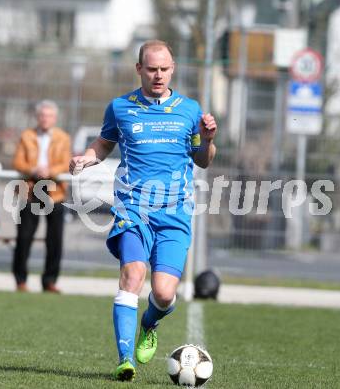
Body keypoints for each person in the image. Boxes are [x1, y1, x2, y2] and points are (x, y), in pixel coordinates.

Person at [69, 40, 217, 381]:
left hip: (175, 214)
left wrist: (208, 140)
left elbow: (203, 161)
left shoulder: (190, 110)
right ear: (139, 69)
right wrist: (86, 158)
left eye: (164, 69)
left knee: (164, 294)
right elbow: (103, 144)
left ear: (173, 68)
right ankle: (125, 360)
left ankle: (149, 323)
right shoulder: (120, 108)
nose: (158, 75)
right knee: (132, 276)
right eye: (151, 69)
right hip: (134, 209)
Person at [12, 100, 71, 293]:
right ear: (38, 117)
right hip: (30, 188)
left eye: (49, 116)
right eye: (42, 115)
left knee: (55, 239)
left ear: (54, 118)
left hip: (55, 190)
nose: (45, 119)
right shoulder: (27, 136)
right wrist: (34, 169)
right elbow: (18, 161)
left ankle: (50, 281)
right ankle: (20, 280)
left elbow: (65, 163)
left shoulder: (63, 137)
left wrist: (50, 170)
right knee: (24, 237)